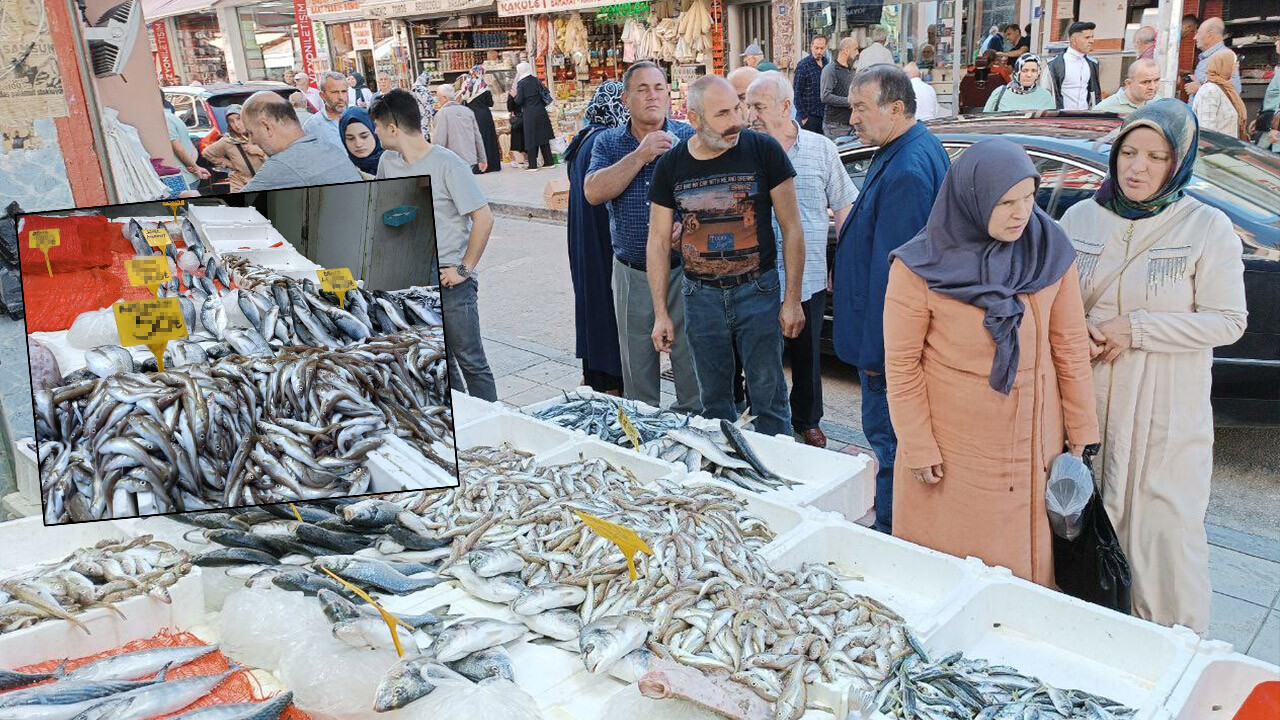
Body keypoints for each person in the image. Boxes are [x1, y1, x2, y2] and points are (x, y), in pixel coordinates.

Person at [1059, 100, 1247, 634]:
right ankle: (1100, 647)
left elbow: (1228, 321)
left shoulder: (1206, 228)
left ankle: (1175, 660)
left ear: (1178, 162)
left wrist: (1138, 329)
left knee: (1168, 543)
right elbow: (1054, 302)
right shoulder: (1080, 217)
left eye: (1156, 157)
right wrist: (1079, 331)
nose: (1137, 168)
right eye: (1129, 153)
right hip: (1092, 407)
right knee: (1093, 534)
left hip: (1166, 414)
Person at [884, 138, 1099, 586]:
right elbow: (902, 367)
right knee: (950, 573)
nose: (1021, 213)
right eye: (1005, 202)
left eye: (1029, 197)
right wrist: (918, 444)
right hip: (953, 452)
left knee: (1021, 579)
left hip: (1032, 445)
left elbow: (1071, 347)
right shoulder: (918, 266)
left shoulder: (1049, 250)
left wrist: (1081, 432)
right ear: (972, 200)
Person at [647, 75, 805, 437]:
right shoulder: (671, 166)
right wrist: (660, 314)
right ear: (693, 119)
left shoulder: (764, 150)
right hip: (700, 297)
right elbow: (657, 241)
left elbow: (792, 227)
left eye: (737, 107)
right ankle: (726, 476)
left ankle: (777, 477)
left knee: (770, 398)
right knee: (715, 402)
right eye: (722, 113)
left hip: (758, 290)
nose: (737, 119)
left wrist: (792, 299)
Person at [832, 65, 950, 534]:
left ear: (896, 109)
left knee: (890, 443)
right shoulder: (905, 148)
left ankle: (894, 534)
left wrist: (881, 354)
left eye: (861, 108)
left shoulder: (907, 168)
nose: (852, 119)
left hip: (888, 347)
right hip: (886, 339)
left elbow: (898, 278)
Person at [584, 61, 700, 415]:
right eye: (643, 89)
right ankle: (645, 445)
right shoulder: (608, 142)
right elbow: (593, 191)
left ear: (669, 93)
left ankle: (695, 437)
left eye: (659, 87)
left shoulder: (687, 137)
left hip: (685, 271)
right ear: (626, 99)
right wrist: (641, 154)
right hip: (632, 272)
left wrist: (691, 226)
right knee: (638, 372)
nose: (653, 95)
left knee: (692, 367)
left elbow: (713, 198)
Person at [746, 72, 856, 446]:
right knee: (763, 358)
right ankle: (766, 421)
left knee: (807, 357)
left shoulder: (820, 148)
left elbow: (843, 209)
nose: (752, 115)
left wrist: (843, 265)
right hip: (756, 277)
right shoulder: (744, 150)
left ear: (785, 107)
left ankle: (808, 419)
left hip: (807, 275)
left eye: (758, 107)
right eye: (749, 107)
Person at [371, 89, 498, 402]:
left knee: (471, 361)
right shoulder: (388, 162)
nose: (374, 133)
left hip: (450, 281)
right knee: (441, 362)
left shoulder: (447, 164)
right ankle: (458, 428)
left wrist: (463, 269)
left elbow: (484, 218)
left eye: (376, 126)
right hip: (414, 282)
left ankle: (492, 422)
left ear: (392, 128)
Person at [567, 81, 629, 395]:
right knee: (606, 308)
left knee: (592, 305)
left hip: (583, 238)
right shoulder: (604, 141)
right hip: (602, 239)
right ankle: (609, 381)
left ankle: (593, 376)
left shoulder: (584, 137)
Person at [238, 91, 362, 192]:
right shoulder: (332, 150)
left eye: (251, 133)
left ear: (267, 127)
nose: (252, 141)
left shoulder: (282, 166)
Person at [202, 104, 265, 192]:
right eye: (231, 121)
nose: (236, 124)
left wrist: (259, 151)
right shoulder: (228, 140)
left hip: (267, 182)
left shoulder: (261, 134)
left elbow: (278, 158)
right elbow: (207, 153)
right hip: (242, 183)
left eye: (239, 118)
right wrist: (227, 163)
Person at [1193, 50, 1248, 140]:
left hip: (1229, 149)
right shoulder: (1210, 90)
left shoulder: (1227, 89)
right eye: (1233, 63)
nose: (1237, 66)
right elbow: (1206, 131)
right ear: (1223, 65)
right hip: (1215, 151)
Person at [431, 84, 488, 173]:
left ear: (445, 98)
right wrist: (482, 158)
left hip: (452, 161)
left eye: (438, 97)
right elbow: (477, 137)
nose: (437, 100)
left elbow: (439, 140)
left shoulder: (442, 114)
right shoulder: (467, 111)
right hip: (469, 159)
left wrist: (434, 161)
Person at [1046, 21, 1101, 110]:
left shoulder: (1092, 64)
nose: (1091, 41)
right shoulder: (1054, 65)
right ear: (1074, 40)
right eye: (1087, 37)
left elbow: (1095, 94)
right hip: (1062, 118)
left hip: (1085, 118)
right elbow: (1046, 94)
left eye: (1092, 37)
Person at [511, 62, 555, 170]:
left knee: (531, 139)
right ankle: (549, 162)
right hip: (541, 112)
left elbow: (519, 100)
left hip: (530, 114)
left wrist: (514, 96)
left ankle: (533, 165)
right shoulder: (536, 80)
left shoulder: (521, 83)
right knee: (543, 137)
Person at [163, 94, 210, 191]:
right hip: (189, 176)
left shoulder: (165, 119)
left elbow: (178, 148)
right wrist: (194, 166)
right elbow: (190, 146)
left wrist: (195, 167)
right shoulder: (173, 117)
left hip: (184, 178)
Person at [1187, 17, 1242, 99]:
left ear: (1209, 35)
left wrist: (1200, 89)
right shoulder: (1207, 56)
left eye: (1198, 33)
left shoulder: (1224, 56)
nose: (1194, 37)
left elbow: (1234, 91)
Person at [461, 66, 502, 174]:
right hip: (484, 116)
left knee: (474, 140)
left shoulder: (466, 86)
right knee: (487, 139)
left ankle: (476, 167)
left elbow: (463, 101)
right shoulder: (484, 87)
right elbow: (490, 103)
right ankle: (491, 165)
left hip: (470, 116)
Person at [985, 54, 1056, 111]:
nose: (1029, 75)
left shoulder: (1045, 96)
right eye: (1024, 70)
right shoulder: (1000, 93)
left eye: (1034, 71)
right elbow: (985, 122)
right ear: (1016, 72)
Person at [1094, 59, 1161, 115]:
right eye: (1145, 82)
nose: (1152, 87)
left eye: (1156, 80)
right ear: (1128, 83)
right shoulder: (1104, 110)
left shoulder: (1160, 103)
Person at [821, 38, 858, 139]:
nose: (857, 53)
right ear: (846, 50)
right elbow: (825, 96)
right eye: (855, 49)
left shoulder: (850, 70)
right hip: (835, 126)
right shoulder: (830, 70)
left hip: (850, 124)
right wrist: (849, 101)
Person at [304, 71, 349, 149]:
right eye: (335, 92)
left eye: (344, 91)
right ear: (323, 96)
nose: (341, 97)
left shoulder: (359, 116)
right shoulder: (312, 125)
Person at [793, 35, 828, 132]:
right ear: (811, 47)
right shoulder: (803, 66)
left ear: (825, 48)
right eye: (816, 48)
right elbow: (796, 93)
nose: (819, 51)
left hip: (823, 116)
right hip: (809, 117)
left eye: (822, 48)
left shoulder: (826, 64)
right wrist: (804, 117)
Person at [339, 107, 383, 179]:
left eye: (364, 136)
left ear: (375, 134)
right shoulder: (343, 171)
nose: (358, 144)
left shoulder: (396, 162)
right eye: (351, 138)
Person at [410, 72, 436, 141]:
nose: (429, 83)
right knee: (425, 132)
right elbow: (427, 104)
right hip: (424, 115)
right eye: (428, 80)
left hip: (417, 116)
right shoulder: (423, 90)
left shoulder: (413, 89)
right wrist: (432, 115)